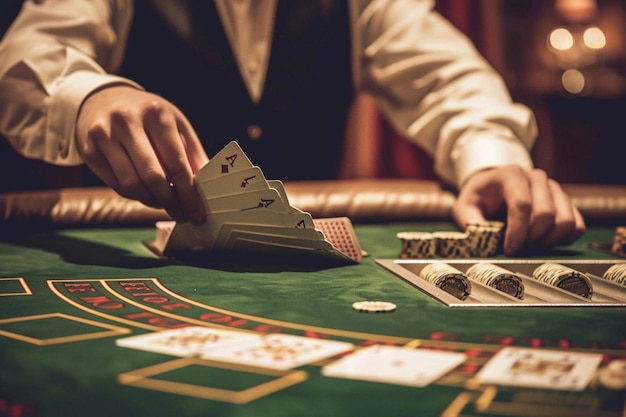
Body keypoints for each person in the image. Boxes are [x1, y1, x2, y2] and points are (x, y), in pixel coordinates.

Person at [0, 0, 584, 256]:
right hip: (146, 260)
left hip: (310, 268)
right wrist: (90, 95)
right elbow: (26, 54)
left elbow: (447, 80)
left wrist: (493, 159)